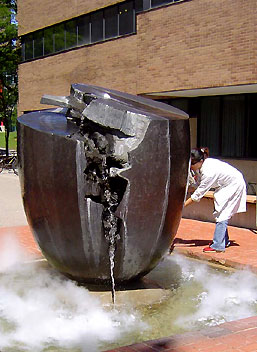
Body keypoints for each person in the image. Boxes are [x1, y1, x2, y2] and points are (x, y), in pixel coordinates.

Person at [184, 148, 246, 252]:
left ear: (200, 161)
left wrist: (182, 207)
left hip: (233, 185)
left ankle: (218, 245)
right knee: (221, 212)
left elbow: (198, 194)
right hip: (225, 186)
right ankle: (224, 241)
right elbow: (197, 185)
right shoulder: (202, 167)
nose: (191, 167)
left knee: (222, 213)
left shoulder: (209, 172)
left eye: (192, 164)